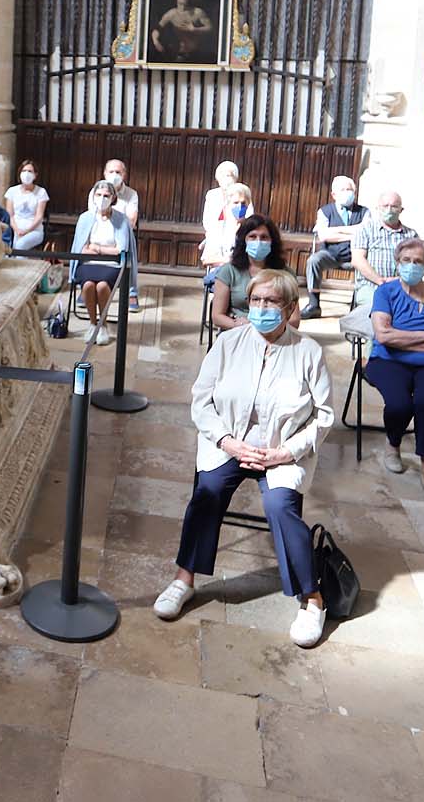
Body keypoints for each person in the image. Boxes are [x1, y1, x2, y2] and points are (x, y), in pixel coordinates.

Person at [152, 269, 334, 648]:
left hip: (281, 450)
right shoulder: (228, 343)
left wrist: (287, 451)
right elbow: (201, 399)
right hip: (230, 444)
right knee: (208, 491)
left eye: (271, 302)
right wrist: (228, 442)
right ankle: (183, 580)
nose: (262, 308)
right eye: (256, 301)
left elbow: (324, 415)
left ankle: (312, 599)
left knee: (281, 506)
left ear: (289, 308)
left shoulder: (308, 352)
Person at [362, 238, 424, 503]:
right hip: (387, 361)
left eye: (419, 262)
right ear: (398, 261)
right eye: (407, 261)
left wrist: (402, 336)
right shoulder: (386, 292)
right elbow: (383, 337)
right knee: (400, 405)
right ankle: (393, 444)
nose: (412, 266)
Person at [70, 180, 131, 346]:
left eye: (106, 195)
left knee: (102, 286)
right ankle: (92, 323)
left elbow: (120, 249)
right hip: (88, 263)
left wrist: (96, 247)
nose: (102, 198)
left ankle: (102, 326)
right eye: (99, 195)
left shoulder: (121, 220)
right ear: (93, 196)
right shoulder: (85, 218)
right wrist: (104, 249)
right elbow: (82, 249)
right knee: (89, 285)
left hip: (111, 264)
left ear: (113, 198)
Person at [210, 215, 291, 332]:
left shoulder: (285, 273)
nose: (258, 241)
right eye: (252, 237)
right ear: (244, 240)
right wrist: (238, 325)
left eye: (264, 237)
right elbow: (217, 317)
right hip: (237, 331)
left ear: (272, 242)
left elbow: (294, 319)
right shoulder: (228, 271)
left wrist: (270, 329)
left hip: (274, 333)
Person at [302, 175, 366, 319]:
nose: (347, 192)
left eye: (349, 189)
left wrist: (335, 231)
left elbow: (365, 232)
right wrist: (352, 232)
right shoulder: (324, 211)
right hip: (330, 254)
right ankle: (314, 305)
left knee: (366, 264)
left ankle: (357, 305)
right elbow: (324, 236)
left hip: (355, 255)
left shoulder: (364, 212)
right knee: (313, 260)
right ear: (333, 194)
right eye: (342, 190)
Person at [86, 159, 142, 311]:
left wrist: (115, 225)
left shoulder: (131, 194)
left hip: (121, 232)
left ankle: (131, 291)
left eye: (118, 172)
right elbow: (92, 217)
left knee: (128, 245)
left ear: (124, 175)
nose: (114, 175)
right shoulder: (96, 191)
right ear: (104, 173)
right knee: (85, 242)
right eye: (111, 171)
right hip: (98, 231)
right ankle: (87, 284)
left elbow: (131, 220)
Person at [350, 190, 419, 309]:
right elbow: (357, 260)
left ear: (401, 210)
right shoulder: (365, 229)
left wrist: (400, 280)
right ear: (378, 208)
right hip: (370, 285)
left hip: (402, 287)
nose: (389, 210)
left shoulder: (411, 235)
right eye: (385, 206)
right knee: (379, 308)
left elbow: (419, 263)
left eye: (394, 206)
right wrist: (380, 281)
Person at [199, 162, 250, 284]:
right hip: (224, 270)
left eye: (230, 175)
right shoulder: (213, 196)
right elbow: (207, 260)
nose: (240, 206)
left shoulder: (251, 229)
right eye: (235, 203)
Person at [150, 0, 215, 61]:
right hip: (178, 53)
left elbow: (210, 28)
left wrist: (195, 29)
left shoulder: (198, 12)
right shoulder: (171, 14)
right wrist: (155, 41)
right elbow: (158, 28)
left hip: (196, 53)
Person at [3, 160, 49, 251]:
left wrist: (26, 231)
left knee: (20, 245)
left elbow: (39, 216)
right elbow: (10, 215)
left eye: (30, 171)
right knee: (13, 247)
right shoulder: (12, 191)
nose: (26, 174)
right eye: (24, 171)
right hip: (15, 230)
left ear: (35, 175)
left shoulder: (41, 192)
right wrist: (17, 230)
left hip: (34, 231)